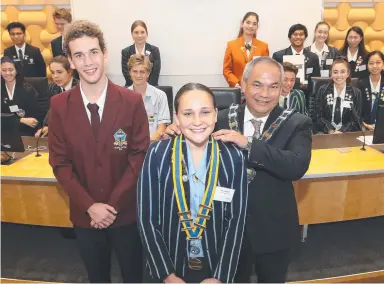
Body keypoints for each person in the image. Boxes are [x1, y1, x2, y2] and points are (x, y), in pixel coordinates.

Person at [164, 57, 312, 283]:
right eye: (257, 85)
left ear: (282, 88)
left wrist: (249, 144)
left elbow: (296, 166)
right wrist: (178, 130)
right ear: (242, 84)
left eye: (273, 86)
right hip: (225, 232)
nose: (265, 93)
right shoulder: (220, 119)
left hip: (273, 230)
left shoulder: (297, 122)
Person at [48, 20, 149, 283]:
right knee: (97, 277)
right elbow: (60, 164)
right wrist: (91, 206)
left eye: (93, 52)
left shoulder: (131, 102)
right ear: (70, 61)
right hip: (85, 215)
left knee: (133, 275)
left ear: (105, 53)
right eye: (78, 55)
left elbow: (138, 157)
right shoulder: (59, 106)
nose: (88, 61)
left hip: (125, 212)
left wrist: (111, 206)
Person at [138, 82, 248, 283]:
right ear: (176, 117)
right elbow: (147, 218)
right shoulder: (157, 154)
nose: (197, 121)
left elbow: (236, 220)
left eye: (205, 112)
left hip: (215, 263)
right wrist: (166, 274)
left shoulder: (233, 157)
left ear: (215, 115)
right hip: (170, 261)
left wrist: (220, 276)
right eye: (188, 114)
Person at [127, 54, 170, 140]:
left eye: (142, 72)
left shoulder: (160, 96)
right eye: (135, 71)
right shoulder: (122, 97)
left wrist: (148, 147)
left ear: (148, 73)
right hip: (130, 148)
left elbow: (162, 128)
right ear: (130, 72)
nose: (138, 75)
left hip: (153, 146)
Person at [35, 55, 79, 137]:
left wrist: (53, 127)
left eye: (59, 72)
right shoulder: (52, 88)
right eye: (52, 72)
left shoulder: (80, 89)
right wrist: (46, 126)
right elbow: (51, 111)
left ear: (69, 71)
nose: (55, 76)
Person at [316, 57, 362, 134]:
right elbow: (318, 116)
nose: (339, 75)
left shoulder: (356, 93)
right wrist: (330, 130)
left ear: (348, 73)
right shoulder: (323, 90)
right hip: (325, 132)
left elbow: (356, 119)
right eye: (335, 72)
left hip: (347, 133)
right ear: (331, 73)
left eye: (343, 72)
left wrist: (342, 131)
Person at [223, 12, 269, 88]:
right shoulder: (231, 45)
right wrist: (236, 84)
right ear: (242, 24)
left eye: (254, 24)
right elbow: (227, 70)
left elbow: (265, 69)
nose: (251, 26)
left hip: (257, 88)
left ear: (257, 26)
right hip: (237, 88)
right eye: (248, 22)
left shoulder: (263, 46)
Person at [1, 56, 39, 136]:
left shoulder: (28, 89)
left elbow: (33, 119)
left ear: (16, 71)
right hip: (3, 132)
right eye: (4, 70)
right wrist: (20, 120)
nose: (7, 73)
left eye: (11, 70)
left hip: (24, 132)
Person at [121, 20, 161, 87]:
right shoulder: (126, 52)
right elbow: (127, 75)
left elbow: (155, 75)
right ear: (132, 35)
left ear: (146, 34)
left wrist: (145, 88)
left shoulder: (154, 50)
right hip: (131, 90)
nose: (140, 35)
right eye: (136, 32)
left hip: (151, 88)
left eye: (142, 32)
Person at [358, 50, 384, 130]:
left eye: (378, 62)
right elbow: (356, 109)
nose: (375, 66)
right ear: (367, 65)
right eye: (371, 63)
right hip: (364, 125)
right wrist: (364, 124)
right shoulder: (360, 84)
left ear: (383, 64)